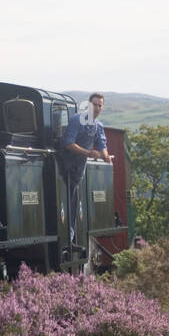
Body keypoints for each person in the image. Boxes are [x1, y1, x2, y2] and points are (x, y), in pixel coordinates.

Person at [59, 93, 111, 251]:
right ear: (89, 105)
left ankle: (71, 238)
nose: (97, 108)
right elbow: (68, 143)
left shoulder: (98, 126)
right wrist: (89, 153)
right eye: (95, 104)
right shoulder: (77, 120)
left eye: (100, 105)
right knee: (68, 201)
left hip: (78, 169)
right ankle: (68, 237)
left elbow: (102, 144)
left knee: (74, 202)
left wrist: (106, 156)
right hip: (65, 166)